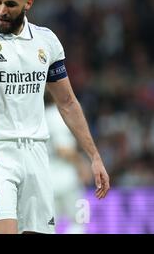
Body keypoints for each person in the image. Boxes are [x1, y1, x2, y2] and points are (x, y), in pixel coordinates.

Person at [0, 0, 110, 234]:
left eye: (10, 4)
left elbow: (68, 102)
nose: (1, 10)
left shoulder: (46, 41)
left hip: (38, 154)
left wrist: (94, 156)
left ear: (28, 3)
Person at [45, 98, 91, 234]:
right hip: (66, 179)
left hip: (48, 179)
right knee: (80, 221)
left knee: (47, 226)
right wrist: (81, 163)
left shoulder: (46, 113)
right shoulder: (57, 114)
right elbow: (63, 149)